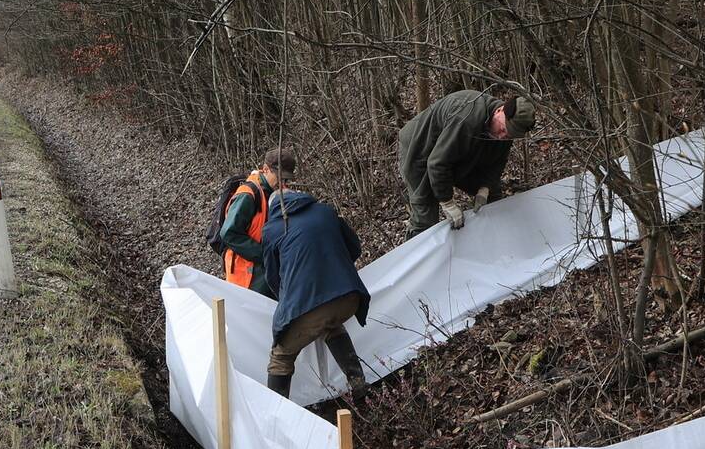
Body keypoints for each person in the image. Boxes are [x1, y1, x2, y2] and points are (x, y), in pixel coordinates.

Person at [262, 189, 371, 399]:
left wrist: (290, 305)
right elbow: (354, 248)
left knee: (281, 357)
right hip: (350, 297)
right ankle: (359, 385)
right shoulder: (325, 211)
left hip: (309, 305)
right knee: (330, 324)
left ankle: (274, 414)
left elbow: (273, 278)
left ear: (272, 209)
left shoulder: (273, 229)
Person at [398, 90, 536, 239]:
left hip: (457, 155)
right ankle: (417, 256)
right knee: (425, 220)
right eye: (503, 129)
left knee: (493, 196)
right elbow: (438, 164)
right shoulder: (467, 118)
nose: (503, 136)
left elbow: (497, 162)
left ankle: (493, 245)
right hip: (420, 150)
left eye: (508, 135)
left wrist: (485, 188)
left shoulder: (504, 130)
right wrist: (447, 202)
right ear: (500, 110)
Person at [218, 147, 295, 296]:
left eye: (286, 179)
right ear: (266, 169)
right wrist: (264, 254)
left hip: (265, 271)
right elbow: (228, 233)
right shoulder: (248, 195)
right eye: (280, 177)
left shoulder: (276, 192)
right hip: (246, 275)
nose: (283, 183)